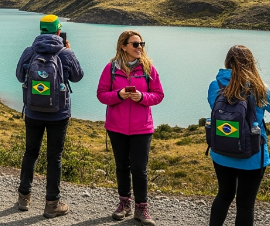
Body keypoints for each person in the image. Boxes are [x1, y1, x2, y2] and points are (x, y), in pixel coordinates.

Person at [208, 45, 270, 226]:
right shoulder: (259, 88)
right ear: (251, 63)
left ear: (227, 62)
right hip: (252, 155)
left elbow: (214, 107)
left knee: (223, 195)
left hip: (221, 151)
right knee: (245, 204)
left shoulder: (215, 85)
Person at [15, 15, 84, 218]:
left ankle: (23, 197)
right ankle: (52, 203)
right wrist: (69, 50)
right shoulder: (65, 52)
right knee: (55, 158)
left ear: (41, 30)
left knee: (30, 153)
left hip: (33, 112)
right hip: (59, 114)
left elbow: (19, 75)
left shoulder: (30, 51)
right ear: (58, 31)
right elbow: (78, 77)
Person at [96, 30, 164, 226]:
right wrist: (119, 94)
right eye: (135, 44)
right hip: (116, 127)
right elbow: (101, 95)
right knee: (122, 167)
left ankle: (141, 208)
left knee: (139, 169)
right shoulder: (110, 68)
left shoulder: (149, 68)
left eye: (141, 43)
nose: (139, 47)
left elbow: (158, 95)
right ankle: (124, 204)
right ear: (123, 46)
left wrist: (142, 97)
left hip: (142, 128)